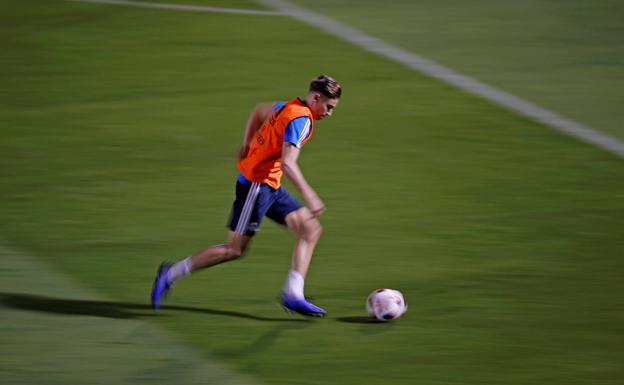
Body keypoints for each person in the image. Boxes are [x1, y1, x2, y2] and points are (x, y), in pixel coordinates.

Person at [151, 75, 341, 317]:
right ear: (316, 98)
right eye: (329, 107)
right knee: (234, 250)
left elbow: (258, 110)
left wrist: (247, 141)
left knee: (310, 229)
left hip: (269, 185)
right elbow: (288, 163)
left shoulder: (288, 105)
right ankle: (170, 274)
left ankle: (293, 294)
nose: (329, 113)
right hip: (256, 187)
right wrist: (310, 195)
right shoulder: (301, 120)